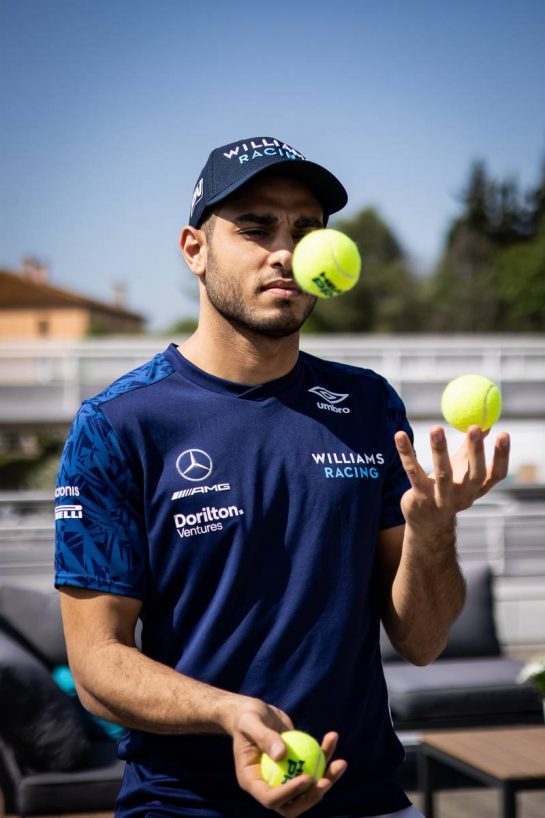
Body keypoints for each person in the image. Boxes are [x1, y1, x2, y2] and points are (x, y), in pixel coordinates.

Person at [54, 136, 510, 818]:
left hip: (366, 801)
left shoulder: (367, 405)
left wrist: (433, 528)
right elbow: (96, 667)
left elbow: (421, 640)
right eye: (255, 227)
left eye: (305, 231)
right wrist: (227, 713)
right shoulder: (119, 424)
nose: (286, 251)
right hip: (185, 805)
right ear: (194, 249)